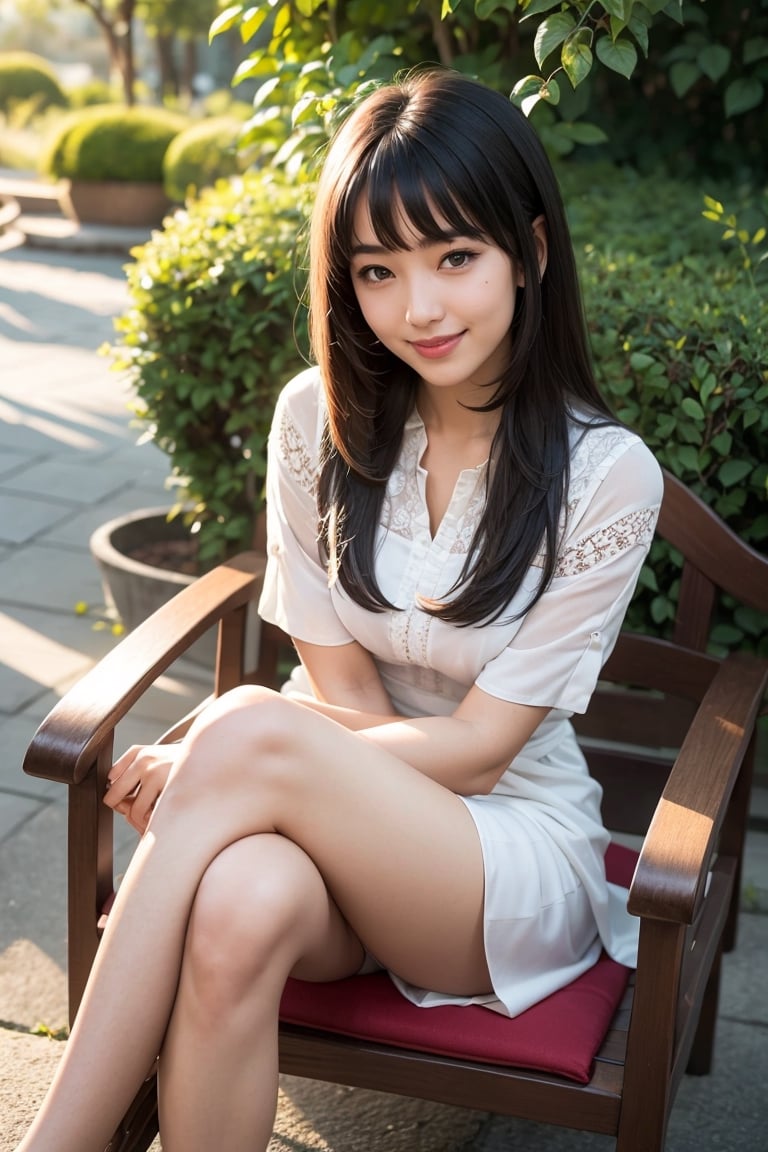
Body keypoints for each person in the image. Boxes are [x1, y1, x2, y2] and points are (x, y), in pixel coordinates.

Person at [18, 68, 663, 1152]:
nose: (419, 307)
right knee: (234, 907)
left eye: (455, 256)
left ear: (531, 254)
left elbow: (477, 752)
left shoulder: (607, 477)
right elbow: (336, 685)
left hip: (496, 860)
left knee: (245, 719)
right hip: (315, 806)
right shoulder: (315, 421)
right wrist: (270, 754)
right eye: (377, 270)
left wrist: (243, 742)